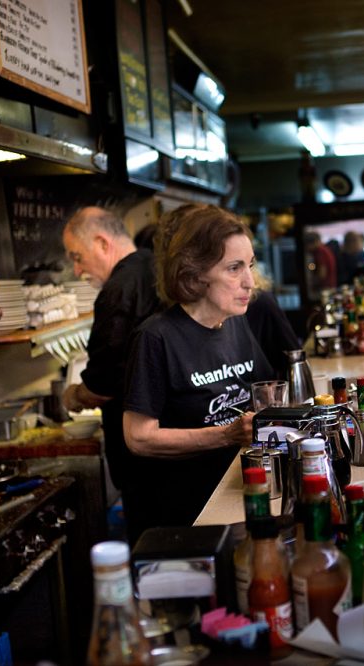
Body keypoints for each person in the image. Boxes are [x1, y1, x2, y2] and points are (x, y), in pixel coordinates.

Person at [123, 204, 275, 528]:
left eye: (250, 265)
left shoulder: (234, 322)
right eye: (234, 268)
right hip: (188, 514)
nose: (250, 282)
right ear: (194, 274)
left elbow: (265, 391)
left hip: (240, 493)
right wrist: (225, 435)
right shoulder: (156, 337)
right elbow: (138, 437)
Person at [61, 207, 162, 546]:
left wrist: (73, 395)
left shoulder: (118, 289)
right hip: (170, 440)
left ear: (103, 243)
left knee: (151, 548)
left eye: (78, 257)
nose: (77, 270)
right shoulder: (157, 263)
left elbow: (104, 383)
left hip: (144, 462)